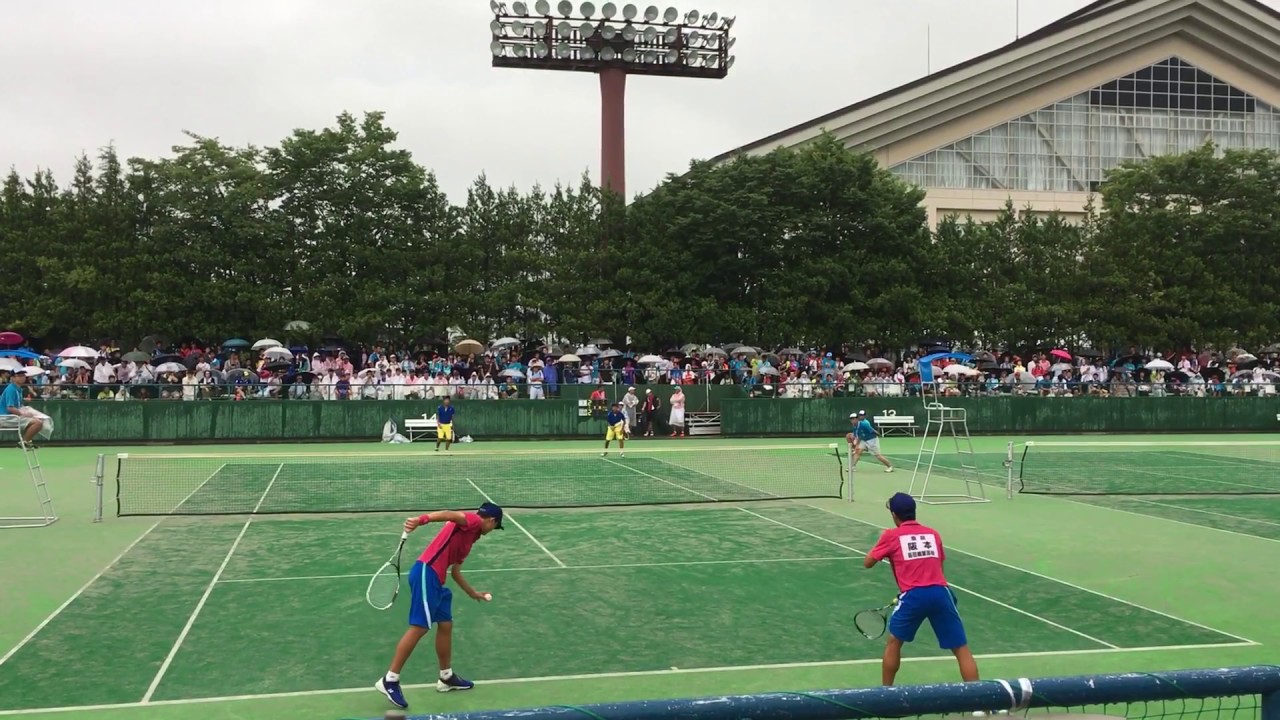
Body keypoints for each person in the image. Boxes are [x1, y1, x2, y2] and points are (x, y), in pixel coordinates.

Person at [375, 502, 505, 710]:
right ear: (491, 521)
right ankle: (390, 679)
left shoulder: (470, 539)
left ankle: (446, 677)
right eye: (494, 527)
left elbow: (455, 572)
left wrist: (473, 593)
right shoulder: (473, 521)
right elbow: (450, 514)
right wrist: (421, 520)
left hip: (438, 580)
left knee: (445, 624)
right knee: (420, 627)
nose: (491, 530)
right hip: (426, 573)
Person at [864, 492, 978, 686]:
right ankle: (979, 698)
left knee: (894, 643)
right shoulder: (933, 534)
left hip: (913, 597)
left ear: (894, 515)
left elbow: (868, 562)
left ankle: (886, 693)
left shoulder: (891, 535)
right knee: (961, 649)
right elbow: (939, 568)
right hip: (941, 593)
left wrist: (883, 542)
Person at [0, 368, 44, 447]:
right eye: (19, 375)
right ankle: (24, 442)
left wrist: (27, 412)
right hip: (6, 418)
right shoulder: (11, 389)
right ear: (12, 378)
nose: (22, 377)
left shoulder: (18, 389)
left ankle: (26, 441)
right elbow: (10, 408)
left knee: (40, 420)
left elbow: (18, 406)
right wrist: (24, 414)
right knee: (37, 423)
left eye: (23, 375)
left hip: (12, 417)